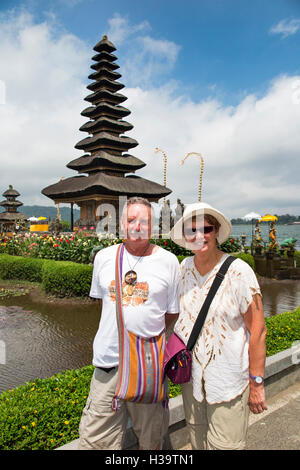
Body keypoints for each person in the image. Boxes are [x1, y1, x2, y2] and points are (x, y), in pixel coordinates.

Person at [78, 197, 179, 450]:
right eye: (131, 220)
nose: (137, 226)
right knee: (95, 441)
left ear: (154, 225)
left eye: (144, 221)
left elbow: (171, 313)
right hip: (109, 364)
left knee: (152, 438)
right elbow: (104, 306)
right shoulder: (103, 257)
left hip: (148, 367)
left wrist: (145, 336)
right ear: (120, 224)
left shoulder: (169, 262)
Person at [170, 202, 267, 451]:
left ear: (217, 232)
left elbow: (258, 330)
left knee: (226, 446)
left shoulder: (239, 272)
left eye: (206, 228)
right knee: (197, 440)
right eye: (192, 230)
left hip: (228, 382)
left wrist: (257, 383)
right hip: (192, 382)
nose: (199, 235)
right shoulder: (182, 269)